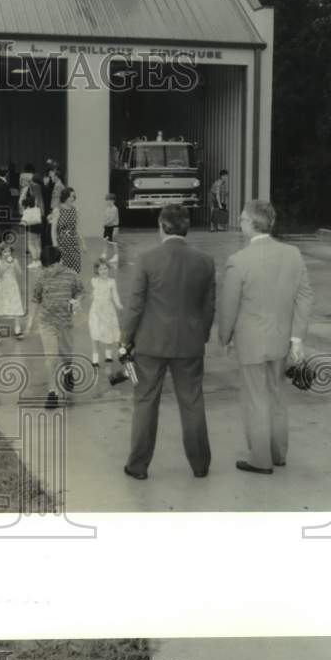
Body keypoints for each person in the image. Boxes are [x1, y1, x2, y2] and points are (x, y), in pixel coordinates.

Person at [119, 204, 215, 480]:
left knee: (145, 402)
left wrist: (125, 339)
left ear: (161, 226)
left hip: (150, 344)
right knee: (193, 402)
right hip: (190, 343)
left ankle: (137, 466)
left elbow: (135, 305)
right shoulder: (205, 261)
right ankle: (200, 465)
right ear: (187, 227)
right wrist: (202, 335)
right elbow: (209, 307)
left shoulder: (147, 259)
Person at [218, 199, 314, 474]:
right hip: (282, 340)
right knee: (276, 396)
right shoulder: (293, 254)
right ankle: (278, 454)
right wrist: (297, 337)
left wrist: (224, 338)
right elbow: (305, 296)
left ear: (252, 224)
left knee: (255, 400)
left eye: (242, 219)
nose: (240, 222)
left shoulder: (238, 261)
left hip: (251, 342)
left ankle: (260, 460)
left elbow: (228, 306)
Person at [26, 245, 84, 409]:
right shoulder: (42, 277)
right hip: (47, 323)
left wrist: (78, 301)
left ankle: (68, 371)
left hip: (65, 323)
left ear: (60, 261)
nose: (51, 270)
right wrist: (30, 320)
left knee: (66, 354)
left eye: (53, 265)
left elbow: (80, 291)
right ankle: (53, 393)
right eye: (48, 267)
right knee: (51, 358)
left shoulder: (71, 275)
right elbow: (35, 298)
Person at [88, 257, 123, 368]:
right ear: (97, 271)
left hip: (108, 310)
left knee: (108, 332)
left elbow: (115, 295)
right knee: (95, 333)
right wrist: (92, 296)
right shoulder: (93, 281)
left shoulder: (112, 282)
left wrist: (119, 305)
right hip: (96, 311)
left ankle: (108, 355)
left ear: (109, 269)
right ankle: (95, 358)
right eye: (101, 269)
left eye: (106, 268)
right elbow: (91, 295)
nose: (104, 271)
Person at [0, 240, 25, 338]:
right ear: (0, 253)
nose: (7, 254)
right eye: (5, 252)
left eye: (9, 251)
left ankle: (17, 328)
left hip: (12, 285)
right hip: (1, 286)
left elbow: (20, 273)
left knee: (16, 305)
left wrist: (15, 263)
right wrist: (6, 264)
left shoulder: (13, 260)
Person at [51, 187, 84, 274]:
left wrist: (83, 243)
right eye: (71, 196)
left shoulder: (75, 209)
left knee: (75, 270)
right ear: (65, 197)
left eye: (74, 196)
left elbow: (78, 227)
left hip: (74, 243)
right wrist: (55, 245)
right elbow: (53, 230)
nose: (73, 198)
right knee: (62, 270)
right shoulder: (57, 210)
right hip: (62, 244)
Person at [18, 173, 44, 269]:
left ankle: (34, 260)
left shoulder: (29, 189)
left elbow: (21, 202)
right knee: (37, 243)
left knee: (31, 243)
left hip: (31, 226)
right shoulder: (37, 206)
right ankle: (39, 261)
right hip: (38, 225)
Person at [102, 193, 120, 264]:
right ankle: (104, 254)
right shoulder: (107, 208)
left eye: (108, 200)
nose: (106, 202)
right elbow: (106, 217)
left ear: (112, 201)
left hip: (113, 227)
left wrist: (105, 223)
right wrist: (105, 223)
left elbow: (112, 219)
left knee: (114, 242)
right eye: (106, 200)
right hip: (107, 227)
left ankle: (116, 257)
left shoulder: (114, 209)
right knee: (105, 240)